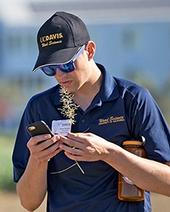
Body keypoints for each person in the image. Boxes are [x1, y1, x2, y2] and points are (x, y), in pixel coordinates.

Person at [12, 11, 170, 212]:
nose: (60, 75)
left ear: (90, 50)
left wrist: (108, 152)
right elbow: (28, 203)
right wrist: (38, 159)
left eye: (67, 64)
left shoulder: (133, 99)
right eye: (50, 69)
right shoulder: (39, 107)